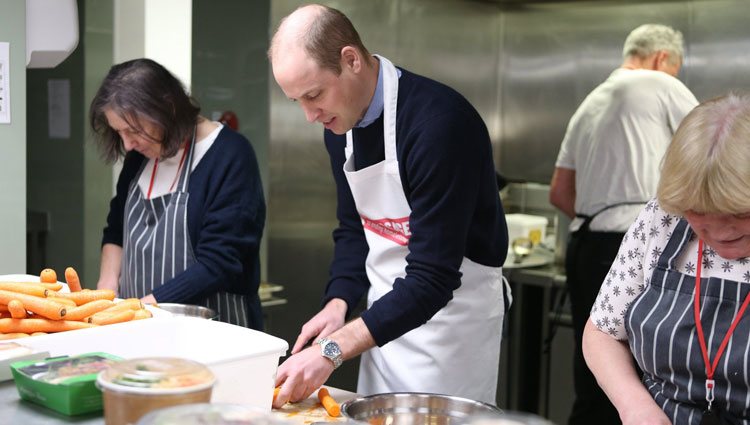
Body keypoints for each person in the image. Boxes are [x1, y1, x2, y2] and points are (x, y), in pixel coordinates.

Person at [268, 4, 510, 406]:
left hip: (449, 335)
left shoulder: (439, 125)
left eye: (314, 95)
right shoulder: (339, 127)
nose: (310, 115)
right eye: (298, 102)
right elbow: (354, 228)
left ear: (351, 60)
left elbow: (433, 279)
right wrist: (339, 301)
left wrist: (331, 351)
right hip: (379, 331)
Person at [549, 24, 698, 424]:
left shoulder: (591, 101)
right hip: (629, 247)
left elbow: (560, 192)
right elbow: (712, 146)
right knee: (636, 379)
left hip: (585, 246)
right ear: (662, 58)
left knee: (596, 374)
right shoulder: (659, 83)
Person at [583, 93, 750, 425]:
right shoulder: (662, 220)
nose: (719, 230)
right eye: (698, 212)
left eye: (738, 212)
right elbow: (602, 331)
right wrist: (635, 406)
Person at [90, 58, 266, 329]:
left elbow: (219, 263)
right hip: (140, 326)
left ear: (167, 109)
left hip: (214, 332)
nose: (127, 144)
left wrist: (143, 308)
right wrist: (108, 290)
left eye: (133, 131)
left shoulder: (230, 156)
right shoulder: (139, 156)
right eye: (119, 133)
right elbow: (115, 231)